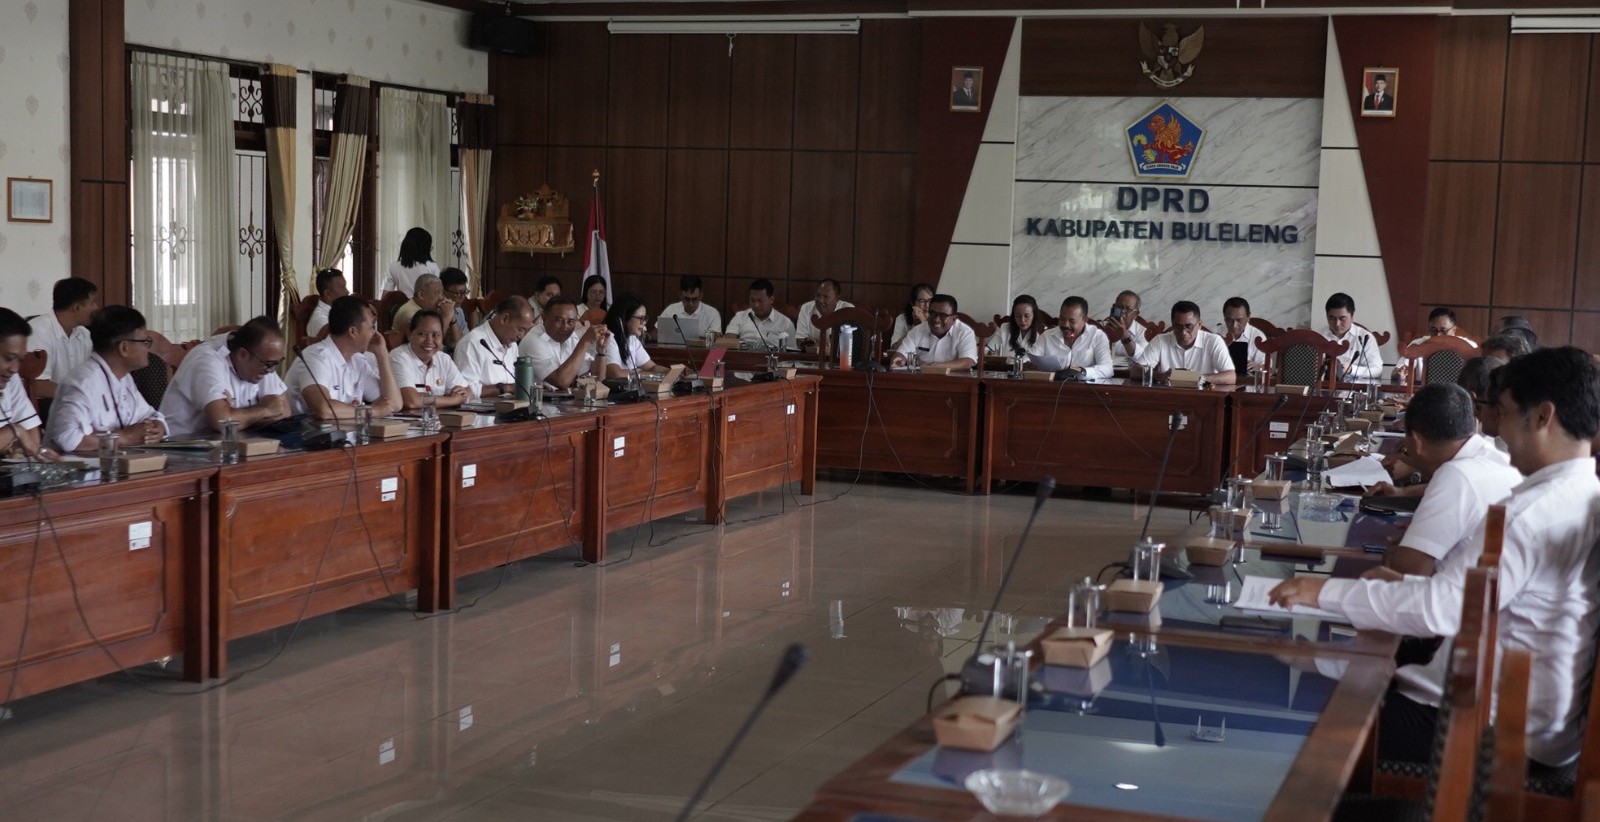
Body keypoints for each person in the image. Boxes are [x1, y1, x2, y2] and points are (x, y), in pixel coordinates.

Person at [1271, 347, 1600, 769]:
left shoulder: (1529, 514)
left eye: (1503, 413)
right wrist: (1406, 586)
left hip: (1491, 730)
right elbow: (1477, 600)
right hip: (1545, 727)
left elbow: (1440, 611)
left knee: (1311, 731)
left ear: (1542, 417)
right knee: (1350, 668)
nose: (1497, 429)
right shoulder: (1583, 494)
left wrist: (1322, 593)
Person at [45, 306, 168, 453]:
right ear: (124, 348)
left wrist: (157, 427)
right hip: (75, 466)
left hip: (116, 463)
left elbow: (149, 415)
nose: (147, 349)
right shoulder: (84, 382)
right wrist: (123, 438)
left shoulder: (124, 377)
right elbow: (66, 438)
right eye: (144, 342)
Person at [158, 316, 291, 439]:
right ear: (243, 355)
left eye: (276, 363)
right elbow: (222, 422)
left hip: (229, 442)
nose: (272, 370)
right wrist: (265, 409)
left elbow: (284, 412)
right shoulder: (207, 359)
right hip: (182, 446)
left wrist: (235, 414)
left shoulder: (261, 358)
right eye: (269, 364)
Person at [284, 296, 403, 421]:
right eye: (371, 327)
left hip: (342, 431)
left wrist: (382, 354)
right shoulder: (315, 357)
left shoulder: (358, 361)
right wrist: (373, 411)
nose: (374, 333)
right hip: (303, 431)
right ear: (353, 332)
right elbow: (323, 409)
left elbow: (394, 404)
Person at [28, 276, 99, 401]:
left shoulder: (84, 334)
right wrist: (79, 395)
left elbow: (90, 375)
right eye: (92, 303)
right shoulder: (38, 331)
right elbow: (37, 385)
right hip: (45, 404)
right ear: (77, 307)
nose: (96, 308)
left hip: (73, 403)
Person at [1131, 301, 1236, 385]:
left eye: (1189, 326)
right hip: (1169, 396)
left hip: (1203, 397)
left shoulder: (1213, 341)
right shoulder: (1160, 340)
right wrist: (1159, 376)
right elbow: (1135, 371)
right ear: (1172, 325)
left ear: (1199, 324)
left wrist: (1200, 378)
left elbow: (1231, 377)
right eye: (1178, 327)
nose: (1184, 332)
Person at [389, 310, 474, 412]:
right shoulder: (398, 357)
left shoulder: (443, 359)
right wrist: (454, 400)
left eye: (436, 335)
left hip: (436, 418)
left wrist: (425, 400)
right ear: (409, 334)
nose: (429, 341)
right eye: (422, 334)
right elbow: (411, 401)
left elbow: (468, 391)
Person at [0, 308, 56, 460]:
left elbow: (32, 439)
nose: (15, 369)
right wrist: (15, 431)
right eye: (9, 358)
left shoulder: (10, 379)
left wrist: (15, 440)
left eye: (20, 360)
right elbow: (23, 434)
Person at [455, 295, 535, 398]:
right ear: (505, 319)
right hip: (483, 407)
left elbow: (516, 383)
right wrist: (505, 389)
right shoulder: (472, 343)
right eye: (520, 329)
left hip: (512, 405)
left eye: (526, 331)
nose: (521, 336)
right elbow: (464, 390)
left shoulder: (512, 345)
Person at [522, 296, 610, 389]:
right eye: (559, 320)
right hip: (536, 398)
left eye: (570, 322)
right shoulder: (533, 341)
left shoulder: (571, 337)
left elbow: (596, 381)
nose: (565, 327)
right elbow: (561, 382)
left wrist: (601, 352)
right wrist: (585, 341)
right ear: (544, 318)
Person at [891, 294, 977, 371]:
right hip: (922, 379)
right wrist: (900, 359)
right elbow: (902, 353)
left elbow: (968, 362)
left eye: (943, 315)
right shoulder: (917, 330)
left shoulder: (964, 332)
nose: (936, 320)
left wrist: (937, 367)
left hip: (954, 380)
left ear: (954, 319)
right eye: (932, 313)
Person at [1038, 296, 1112, 379]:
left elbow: (1107, 369)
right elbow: (1029, 359)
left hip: (1084, 386)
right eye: (1062, 319)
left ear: (1085, 320)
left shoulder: (1097, 337)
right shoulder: (1047, 336)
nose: (1066, 325)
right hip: (1051, 385)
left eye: (1072, 321)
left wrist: (1083, 371)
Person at [1320, 292, 1383, 381]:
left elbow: (1377, 370)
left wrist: (1351, 369)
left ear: (1352, 316)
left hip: (1355, 388)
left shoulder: (1365, 338)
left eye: (1342, 318)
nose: (1337, 324)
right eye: (1332, 318)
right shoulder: (1318, 337)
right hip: (1322, 387)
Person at [602, 296, 668, 379]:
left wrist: (672, 373)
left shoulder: (632, 339)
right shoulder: (608, 338)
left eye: (645, 318)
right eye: (641, 318)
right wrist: (649, 374)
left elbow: (652, 367)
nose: (643, 323)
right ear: (625, 317)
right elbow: (615, 374)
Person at [392, 273, 462, 349]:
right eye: (437, 293)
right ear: (421, 295)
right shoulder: (410, 314)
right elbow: (432, 345)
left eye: (442, 293)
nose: (441, 297)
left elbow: (458, 343)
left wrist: (452, 318)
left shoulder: (429, 309)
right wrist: (446, 317)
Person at [724, 279, 796, 350]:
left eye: (760, 301)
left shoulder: (786, 323)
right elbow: (728, 343)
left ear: (771, 299)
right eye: (752, 300)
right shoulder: (740, 317)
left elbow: (792, 352)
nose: (756, 305)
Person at [658, 274, 723, 341]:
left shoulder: (712, 313)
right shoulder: (671, 310)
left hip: (701, 348)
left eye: (694, 299)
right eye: (687, 299)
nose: (690, 303)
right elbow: (656, 333)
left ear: (701, 295)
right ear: (680, 295)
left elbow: (717, 340)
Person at [794, 278, 854, 348]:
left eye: (826, 297)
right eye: (818, 295)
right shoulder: (806, 308)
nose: (821, 300)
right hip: (812, 354)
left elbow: (852, 343)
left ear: (837, 298)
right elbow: (800, 341)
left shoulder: (848, 310)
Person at [383, 227, 440, 299]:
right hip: (425, 305)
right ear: (426, 248)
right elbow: (438, 293)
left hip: (402, 305)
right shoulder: (432, 266)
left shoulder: (394, 267)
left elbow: (385, 296)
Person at [987, 295, 1047, 359]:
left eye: (1027, 316)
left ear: (1034, 315)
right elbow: (988, 350)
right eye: (1018, 316)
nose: (1022, 320)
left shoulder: (1042, 333)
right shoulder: (1005, 328)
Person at [1220, 296, 1267, 375]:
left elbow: (1268, 368)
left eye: (1239, 320)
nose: (1234, 325)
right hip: (1219, 379)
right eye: (1229, 320)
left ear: (1248, 317)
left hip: (1247, 380)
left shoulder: (1258, 336)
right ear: (1224, 317)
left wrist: (1258, 367)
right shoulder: (1215, 333)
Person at [1102, 290, 1149, 360]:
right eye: (1119, 307)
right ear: (1113, 308)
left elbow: (1144, 358)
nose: (1122, 312)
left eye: (1128, 309)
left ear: (1135, 314)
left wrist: (1124, 336)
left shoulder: (1143, 333)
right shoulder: (1101, 327)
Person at [306, 267, 348, 338]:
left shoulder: (338, 312)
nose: (347, 292)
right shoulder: (321, 320)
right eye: (343, 287)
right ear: (327, 293)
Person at [891, 283, 935, 349]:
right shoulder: (902, 319)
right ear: (912, 303)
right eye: (922, 301)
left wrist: (923, 324)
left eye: (930, 301)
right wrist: (915, 327)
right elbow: (894, 348)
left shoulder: (937, 319)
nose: (927, 305)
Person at [440, 267, 472, 343]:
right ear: (444, 292)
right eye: (459, 293)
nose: (462, 297)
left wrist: (453, 318)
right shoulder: (435, 312)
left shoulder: (459, 311)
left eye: (465, 292)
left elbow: (464, 341)